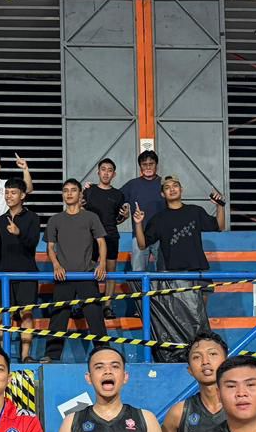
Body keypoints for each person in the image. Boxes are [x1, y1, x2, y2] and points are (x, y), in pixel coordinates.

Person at [133, 176, 225, 362]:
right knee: (180, 320)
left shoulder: (195, 211)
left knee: (199, 320)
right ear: (162, 194)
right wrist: (138, 223)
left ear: (181, 189)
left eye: (175, 186)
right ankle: (185, 357)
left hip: (198, 272)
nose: (172, 189)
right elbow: (142, 245)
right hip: (173, 277)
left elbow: (219, 226)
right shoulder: (158, 219)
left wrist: (220, 206)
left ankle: (200, 356)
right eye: (167, 187)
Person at [42, 179, 107, 363]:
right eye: (66, 190)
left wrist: (102, 263)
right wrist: (56, 265)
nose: (69, 193)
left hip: (86, 275)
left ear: (80, 194)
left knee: (95, 316)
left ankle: (104, 353)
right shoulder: (55, 220)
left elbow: (101, 242)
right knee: (58, 317)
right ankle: (52, 356)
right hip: (64, 277)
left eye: (73, 190)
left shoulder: (91, 217)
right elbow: (50, 247)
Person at [0, 177, 41, 362]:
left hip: (26, 273)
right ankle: (4, 355)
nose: (9, 196)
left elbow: (33, 243)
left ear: (22, 195)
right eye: (6, 192)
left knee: (26, 314)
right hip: (4, 274)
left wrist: (19, 233)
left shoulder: (32, 218)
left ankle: (25, 355)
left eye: (13, 193)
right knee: (4, 315)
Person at [83, 158, 129, 317]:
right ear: (98, 172)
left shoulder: (118, 195)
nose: (106, 173)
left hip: (111, 237)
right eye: (103, 169)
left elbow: (118, 219)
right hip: (90, 238)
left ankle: (107, 306)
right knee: (88, 272)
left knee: (110, 272)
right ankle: (89, 304)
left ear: (114, 174)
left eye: (110, 170)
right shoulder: (89, 191)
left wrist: (125, 217)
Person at [120, 149, 164, 273]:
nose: (148, 167)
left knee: (164, 273)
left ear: (156, 165)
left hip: (162, 236)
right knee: (138, 273)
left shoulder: (165, 184)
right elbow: (113, 198)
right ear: (140, 166)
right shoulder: (132, 185)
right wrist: (92, 189)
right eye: (144, 164)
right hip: (139, 236)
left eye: (151, 164)